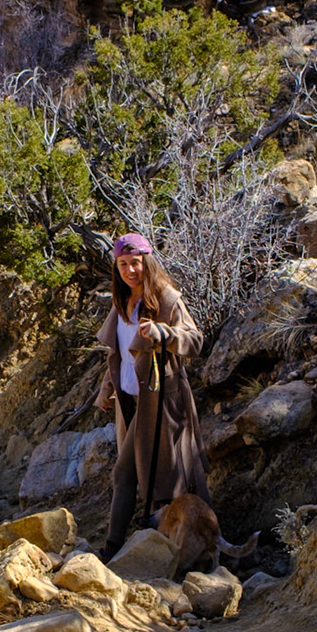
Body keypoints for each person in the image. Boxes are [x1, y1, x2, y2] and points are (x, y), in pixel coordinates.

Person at [95, 232, 210, 560]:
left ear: (148, 262)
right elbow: (118, 355)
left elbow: (196, 341)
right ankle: (176, 549)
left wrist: (166, 333)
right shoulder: (121, 305)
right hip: (131, 401)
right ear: (116, 267)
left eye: (136, 263)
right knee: (153, 474)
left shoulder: (167, 299)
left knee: (133, 473)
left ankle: (115, 548)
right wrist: (106, 391)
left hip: (162, 400)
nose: (131, 270)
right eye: (123, 264)